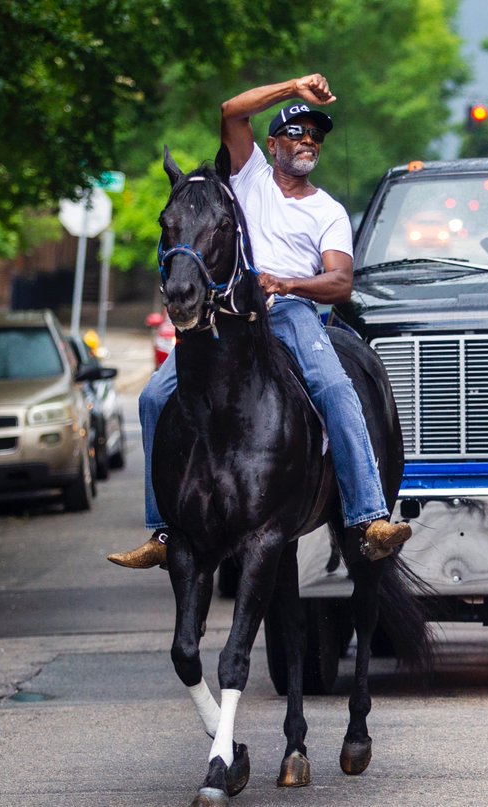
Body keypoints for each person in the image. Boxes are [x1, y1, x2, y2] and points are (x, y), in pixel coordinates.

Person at [108, 74, 411, 569]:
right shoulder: (247, 177)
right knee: (152, 396)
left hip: (290, 312)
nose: (307, 140)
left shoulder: (328, 210)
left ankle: (368, 517)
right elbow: (231, 109)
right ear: (271, 145)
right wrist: (295, 89)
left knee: (335, 388)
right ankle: (161, 530)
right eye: (295, 132)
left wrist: (288, 284)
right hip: (225, 314)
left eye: (315, 134)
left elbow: (340, 284)